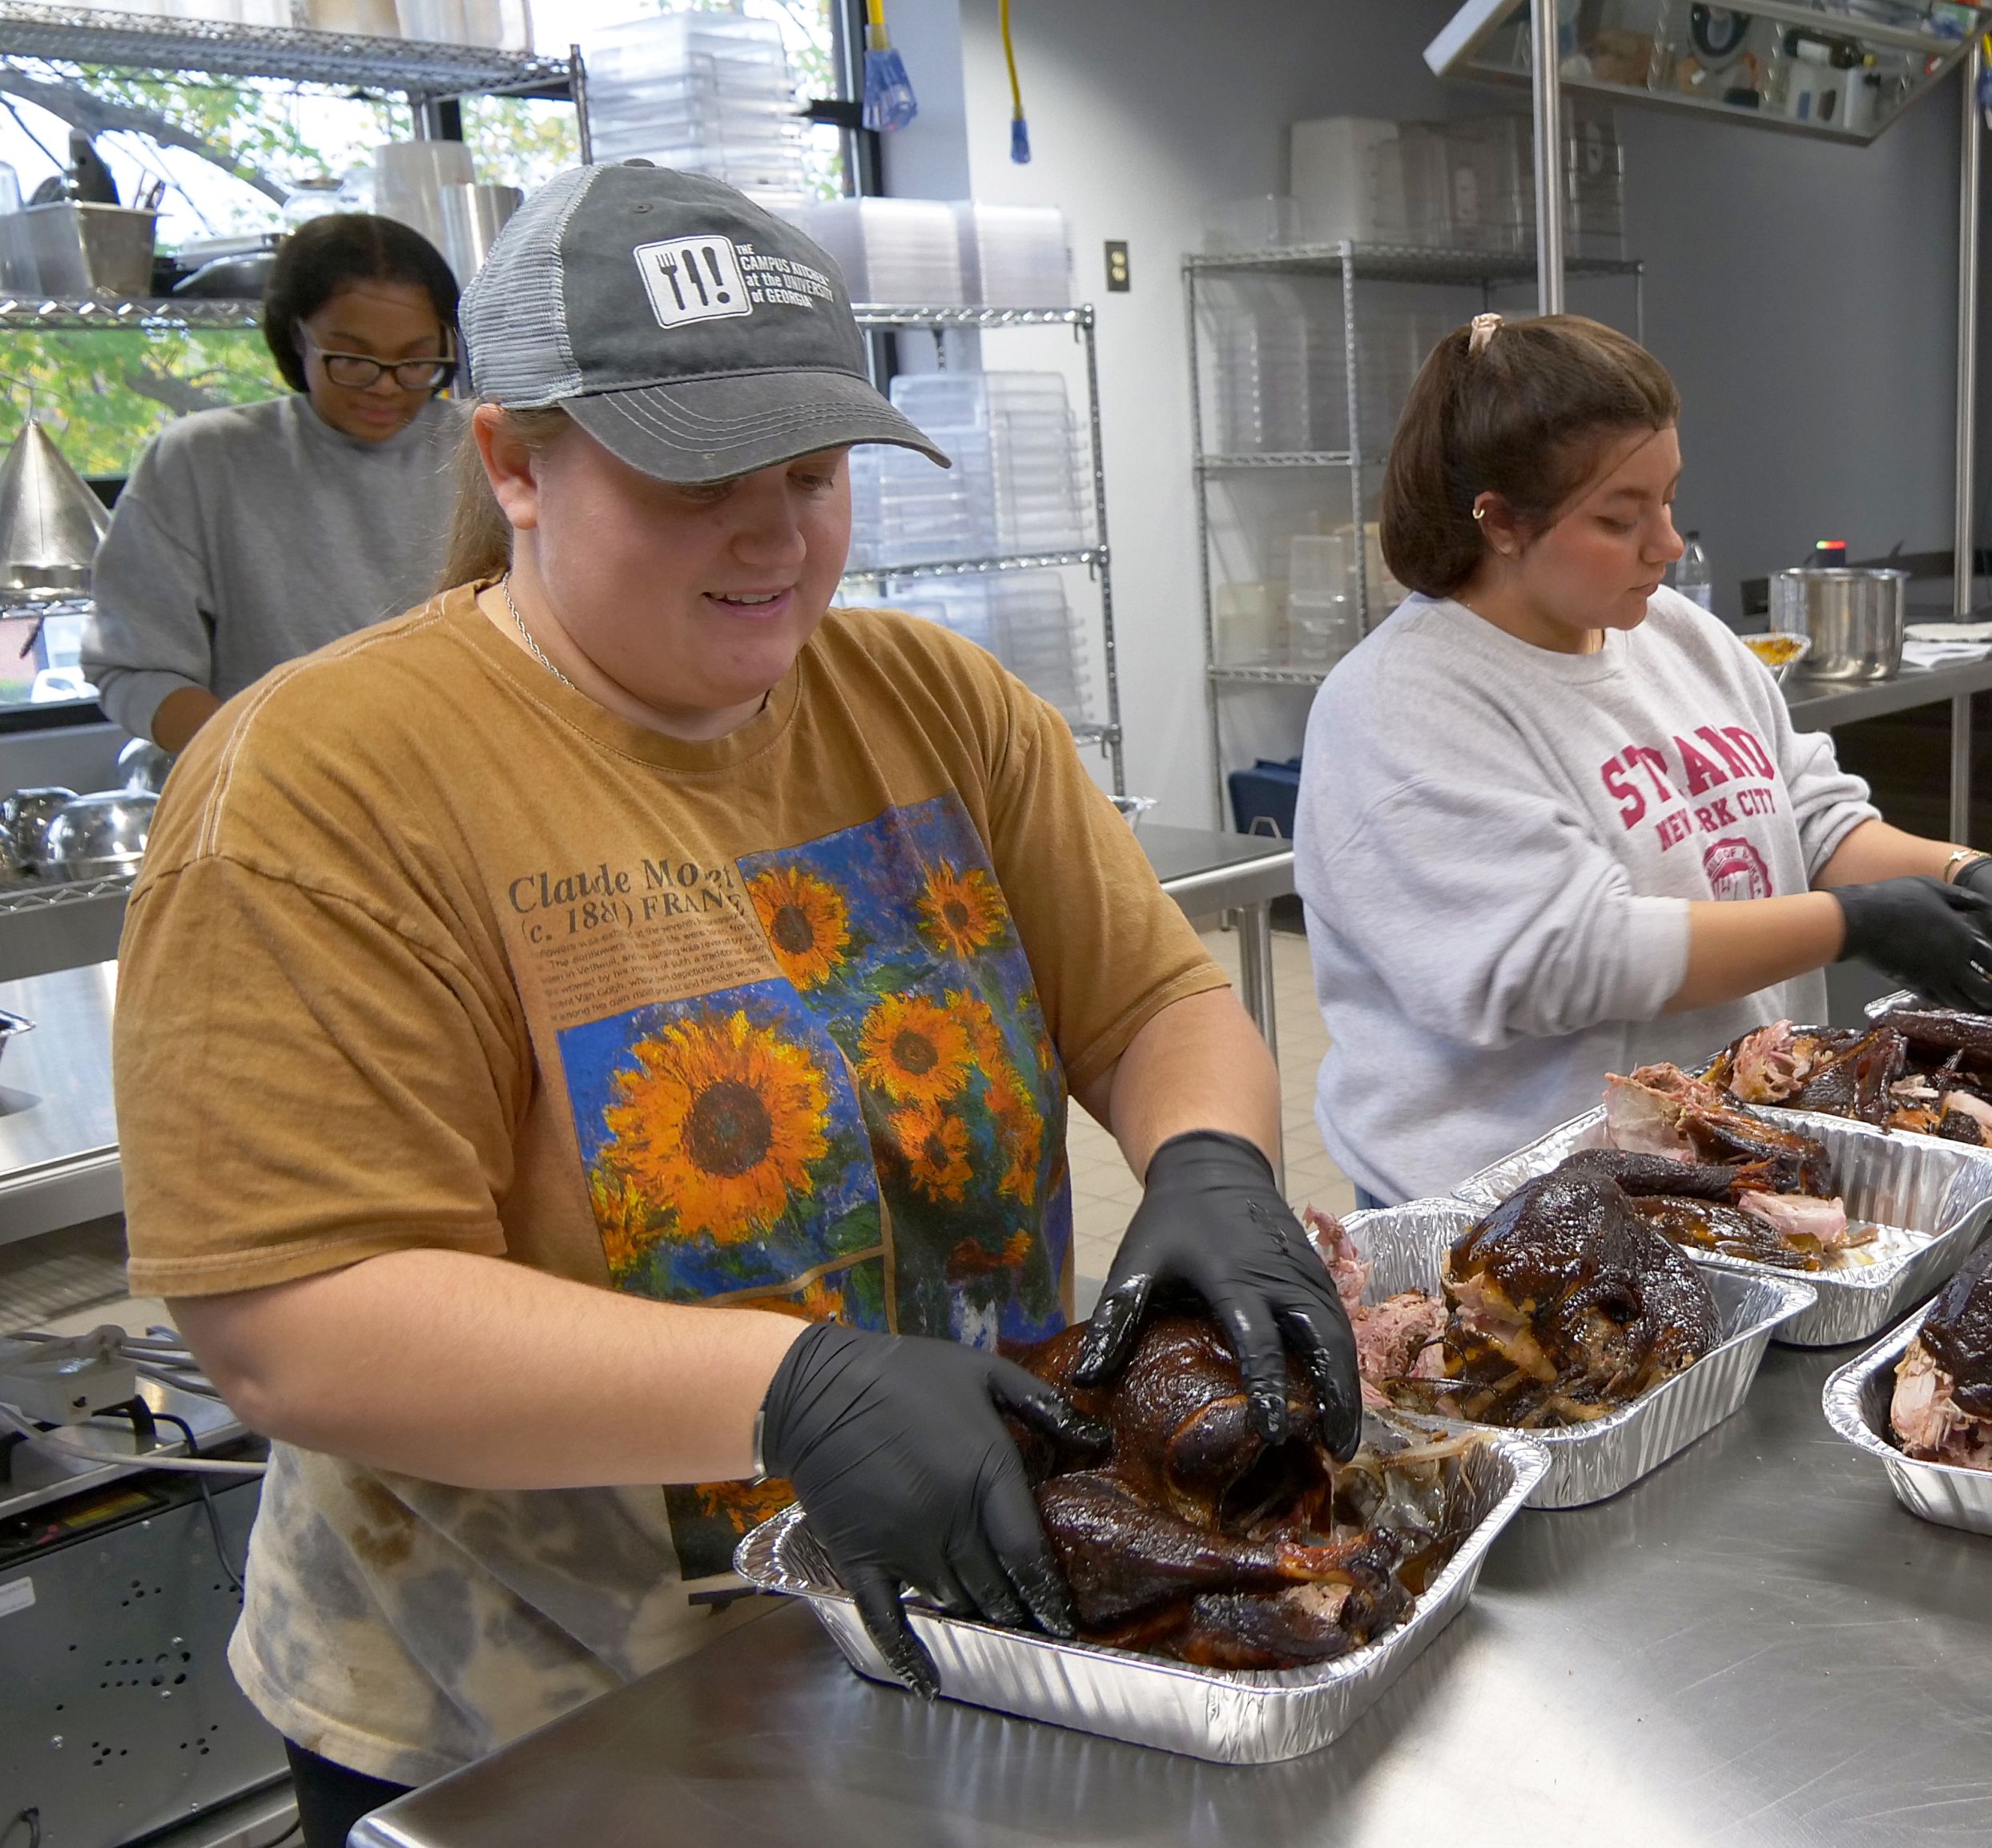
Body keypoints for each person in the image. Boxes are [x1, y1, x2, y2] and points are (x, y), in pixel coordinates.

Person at [111, 165, 1354, 1848]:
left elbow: (1148, 1003)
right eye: (695, 479)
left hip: (960, 1637)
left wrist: (1207, 1155)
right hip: (547, 1727)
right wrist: (785, 1387)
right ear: (513, 462)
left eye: (815, 472)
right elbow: (295, 1313)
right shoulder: (320, 785)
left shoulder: (931, 700)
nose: (774, 535)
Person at [1298, 312, 1992, 1205]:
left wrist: (1968, 877)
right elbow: (1563, 959)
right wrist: (1849, 923)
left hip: (1718, 1155)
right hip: (1516, 1198)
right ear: (1497, 521)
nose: (1665, 544)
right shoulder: (1405, 704)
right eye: (1620, 518)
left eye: (1669, 500)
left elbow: (1806, 816)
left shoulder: (1673, 634)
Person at [86, 214, 469, 752]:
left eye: (414, 361)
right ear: (296, 337)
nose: (385, 386)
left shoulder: (486, 450)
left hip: (465, 782)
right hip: (272, 795)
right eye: (352, 359)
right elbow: (137, 670)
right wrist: (267, 767)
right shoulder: (204, 459)